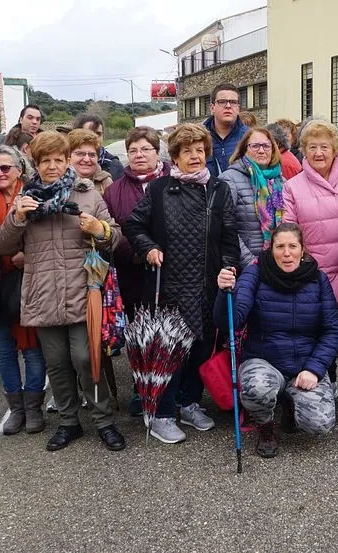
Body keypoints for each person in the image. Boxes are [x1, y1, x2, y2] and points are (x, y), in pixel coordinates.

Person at [0, 131, 126, 452]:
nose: (52, 166)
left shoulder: (88, 193)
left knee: (86, 357)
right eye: (45, 161)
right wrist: (18, 218)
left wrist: (100, 229)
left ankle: (104, 420)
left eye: (58, 159)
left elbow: (116, 237)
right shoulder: (24, 199)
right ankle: (68, 422)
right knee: (56, 363)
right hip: (43, 293)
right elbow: (1, 245)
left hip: (83, 292)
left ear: (67, 160)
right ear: (35, 165)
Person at [124, 123, 240, 444]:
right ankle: (162, 413)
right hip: (169, 286)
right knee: (170, 350)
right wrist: (148, 248)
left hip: (207, 284)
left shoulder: (219, 189)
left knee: (201, 349)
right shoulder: (160, 190)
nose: (195, 156)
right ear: (174, 156)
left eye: (200, 150)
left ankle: (189, 403)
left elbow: (230, 236)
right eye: (187, 150)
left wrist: (229, 268)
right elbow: (134, 225)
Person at [216, 223, 338, 458]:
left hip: (304, 365)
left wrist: (314, 369)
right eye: (280, 246)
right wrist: (224, 294)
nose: (286, 253)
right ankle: (265, 426)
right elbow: (231, 320)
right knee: (257, 389)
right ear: (270, 249)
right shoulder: (255, 273)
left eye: (292, 246)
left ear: (303, 250)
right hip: (264, 359)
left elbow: (332, 330)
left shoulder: (318, 279)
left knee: (320, 423)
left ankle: (290, 402)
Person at [283, 120, 338, 410]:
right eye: (312, 146)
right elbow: (289, 228)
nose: (319, 152)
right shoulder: (292, 187)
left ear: (335, 149)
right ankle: (328, 377)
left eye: (325, 146)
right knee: (321, 327)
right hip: (316, 270)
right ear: (303, 150)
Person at [0, 144, 47, 435]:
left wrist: (28, 257)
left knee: (33, 349)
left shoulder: (36, 196)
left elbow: (48, 240)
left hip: (30, 282)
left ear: (19, 170)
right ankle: (16, 409)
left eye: (5, 167)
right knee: (4, 351)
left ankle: (34, 408)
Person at [102, 127, 169, 319]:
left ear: (157, 152)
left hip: (172, 272)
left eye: (145, 149)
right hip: (132, 274)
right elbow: (113, 228)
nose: (139, 155)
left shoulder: (175, 181)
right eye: (133, 150)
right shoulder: (114, 191)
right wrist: (137, 253)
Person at [219, 126, 286, 268]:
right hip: (247, 266)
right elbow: (225, 227)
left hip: (278, 263)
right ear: (244, 149)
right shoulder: (229, 179)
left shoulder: (280, 181)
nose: (261, 151)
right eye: (255, 146)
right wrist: (251, 263)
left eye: (266, 146)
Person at [203, 82, 248, 177]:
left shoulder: (249, 138)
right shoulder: (200, 137)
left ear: (238, 108)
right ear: (212, 108)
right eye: (222, 102)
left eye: (233, 102)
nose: (228, 106)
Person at [72, 113, 125, 180]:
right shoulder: (62, 162)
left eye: (99, 134)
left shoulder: (114, 165)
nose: (94, 137)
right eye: (89, 132)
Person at [68, 129, 113, 195]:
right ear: (68, 157)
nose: (87, 159)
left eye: (92, 155)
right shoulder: (58, 181)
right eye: (80, 154)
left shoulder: (105, 183)